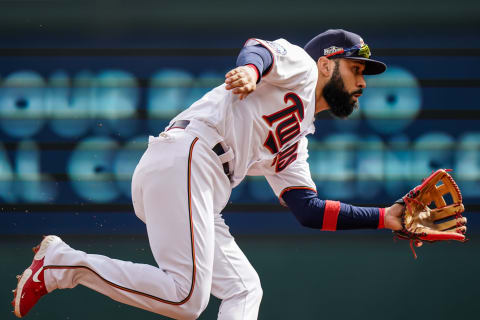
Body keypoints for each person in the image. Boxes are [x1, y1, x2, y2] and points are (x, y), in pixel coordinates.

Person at [12, 29, 405, 319]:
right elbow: (258, 50)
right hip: (192, 156)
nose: (363, 82)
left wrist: (384, 217)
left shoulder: (297, 138)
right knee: (187, 300)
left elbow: (308, 210)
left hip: (192, 176)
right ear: (326, 63)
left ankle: (63, 263)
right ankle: (63, 264)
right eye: (356, 68)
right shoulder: (302, 67)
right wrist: (251, 72)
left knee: (244, 288)